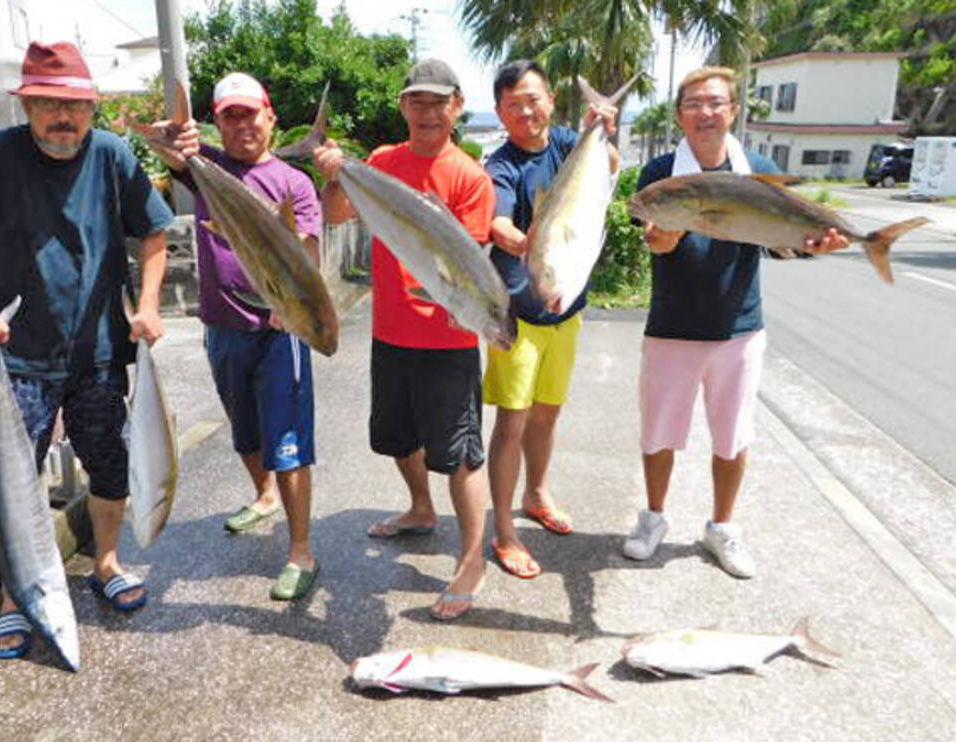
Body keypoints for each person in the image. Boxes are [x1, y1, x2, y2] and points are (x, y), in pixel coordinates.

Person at [0, 42, 174, 658]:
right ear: (28, 104)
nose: (64, 119)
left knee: (108, 463)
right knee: (11, 479)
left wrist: (147, 302)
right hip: (19, 356)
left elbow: (156, 229)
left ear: (91, 108)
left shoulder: (113, 155)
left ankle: (108, 564)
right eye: (48, 105)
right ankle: (17, 598)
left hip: (98, 353)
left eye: (75, 107)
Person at [623, 66, 848, 577]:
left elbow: (781, 243)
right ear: (679, 114)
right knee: (658, 433)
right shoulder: (659, 174)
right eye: (695, 103)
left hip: (740, 327)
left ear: (733, 110)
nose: (706, 112)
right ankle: (653, 518)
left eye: (716, 102)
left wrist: (814, 245)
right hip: (673, 326)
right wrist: (662, 240)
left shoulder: (759, 168)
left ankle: (721, 527)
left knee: (733, 435)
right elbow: (653, 238)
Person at [312, 59, 491, 620]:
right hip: (391, 334)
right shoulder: (382, 163)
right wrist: (335, 174)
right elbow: (338, 214)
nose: (429, 112)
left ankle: (471, 560)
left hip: (448, 342)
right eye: (418, 101)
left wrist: (479, 316)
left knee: (461, 455)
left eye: (439, 102)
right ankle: (420, 509)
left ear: (457, 107)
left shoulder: (469, 177)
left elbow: (465, 258)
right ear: (403, 106)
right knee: (396, 437)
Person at [152, 72, 321, 601]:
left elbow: (309, 251)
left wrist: (286, 303)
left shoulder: (295, 183)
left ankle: (301, 550)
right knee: (244, 430)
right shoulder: (210, 170)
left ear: (270, 116)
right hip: (222, 326)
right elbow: (173, 153)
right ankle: (263, 494)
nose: (243, 124)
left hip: (279, 332)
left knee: (288, 442)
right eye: (231, 115)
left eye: (251, 113)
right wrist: (167, 135)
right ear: (217, 125)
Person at [482, 60, 619, 579]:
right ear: (500, 111)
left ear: (550, 101)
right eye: (513, 103)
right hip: (518, 316)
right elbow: (495, 216)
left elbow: (607, 165)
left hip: (567, 311)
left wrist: (603, 127)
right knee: (511, 423)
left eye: (533, 98)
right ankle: (504, 530)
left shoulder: (568, 143)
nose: (525, 110)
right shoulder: (502, 164)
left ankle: (537, 493)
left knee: (547, 413)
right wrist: (512, 236)